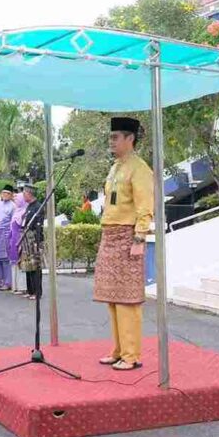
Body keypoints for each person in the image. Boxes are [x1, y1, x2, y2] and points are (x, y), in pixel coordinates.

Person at [94, 117, 154, 371]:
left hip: (128, 236)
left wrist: (140, 237)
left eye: (115, 137)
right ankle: (118, 350)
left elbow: (145, 207)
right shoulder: (116, 166)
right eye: (110, 137)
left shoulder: (139, 168)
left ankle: (132, 355)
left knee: (128, 299)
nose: (111, 141)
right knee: (112, 297)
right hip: (109, 235)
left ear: (130, 139)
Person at [19, 185, 45, 300]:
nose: (23, 196)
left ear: (30, 193)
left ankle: (37, 292)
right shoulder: (29, 206)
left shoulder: (38, 207)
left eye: (24, 193)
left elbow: (39, 226)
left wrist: (38, 242)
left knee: (35, 266)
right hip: (26, 238)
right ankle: (30, 290)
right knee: (28, 265)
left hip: (34, 238)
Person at [0, 185, 16, 291]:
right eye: (3, 193)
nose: (5, 195)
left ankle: (7, 282)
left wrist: (10, 236)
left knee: (5, 259)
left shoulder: (13, 206)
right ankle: (0, 280)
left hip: (5, 233)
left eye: (7, 193)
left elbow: (12, 222)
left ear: (11, 195)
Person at [9, 192, 29, 295]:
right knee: (14, 263)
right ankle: (16, 286)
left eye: (17, 199)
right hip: (13, 240)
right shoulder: (16, 211)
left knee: (21, 263)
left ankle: (22, 287)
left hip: (20, 239)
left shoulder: (24, 212)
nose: (15, 201)